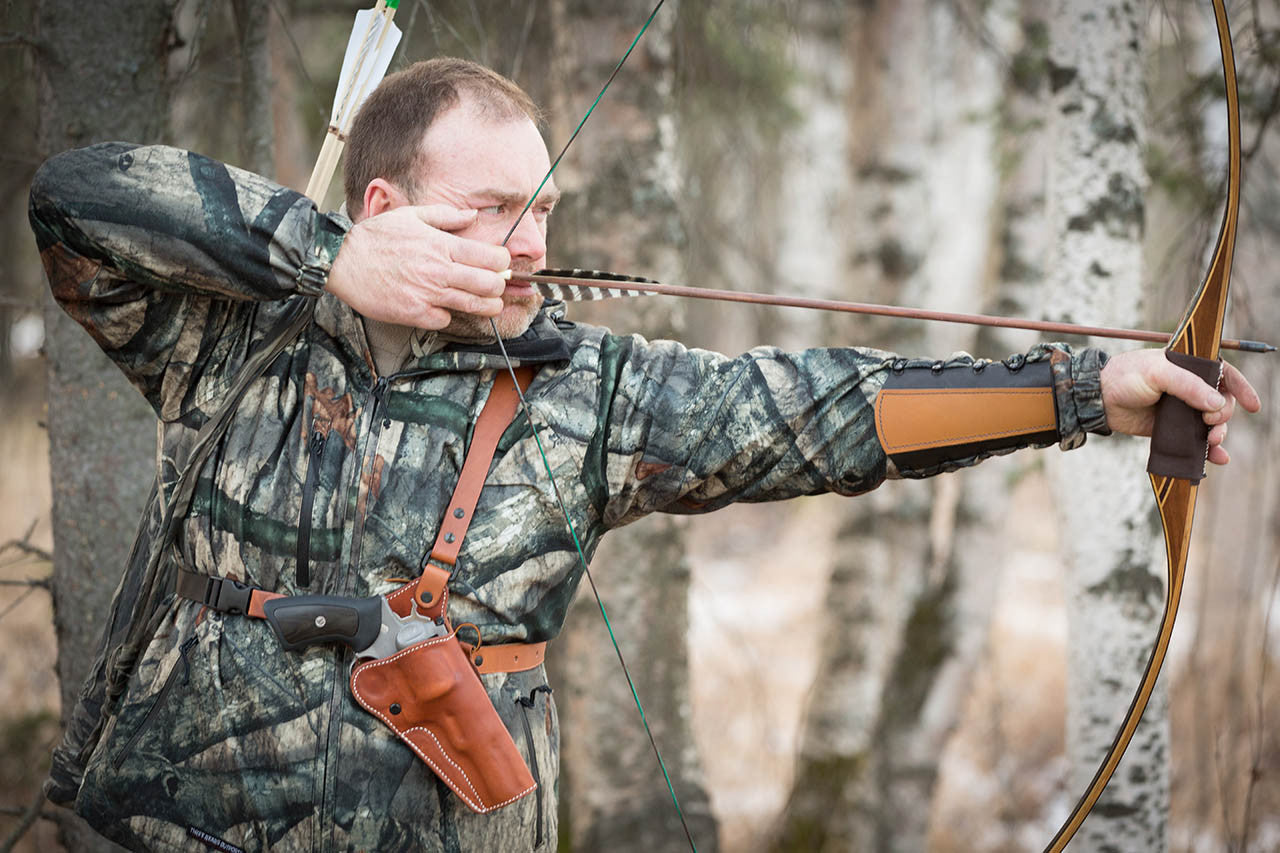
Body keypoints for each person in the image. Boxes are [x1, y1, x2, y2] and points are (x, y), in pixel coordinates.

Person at [29, 58, 1258, 852]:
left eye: (541, 208)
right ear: (386, 213)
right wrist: (322, 257)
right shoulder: (232, 333)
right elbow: (74, 195)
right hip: (174, 827)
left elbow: (825, 414)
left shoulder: (590, 394)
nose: (525, 245)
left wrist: (1087, 391)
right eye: (485, 213)